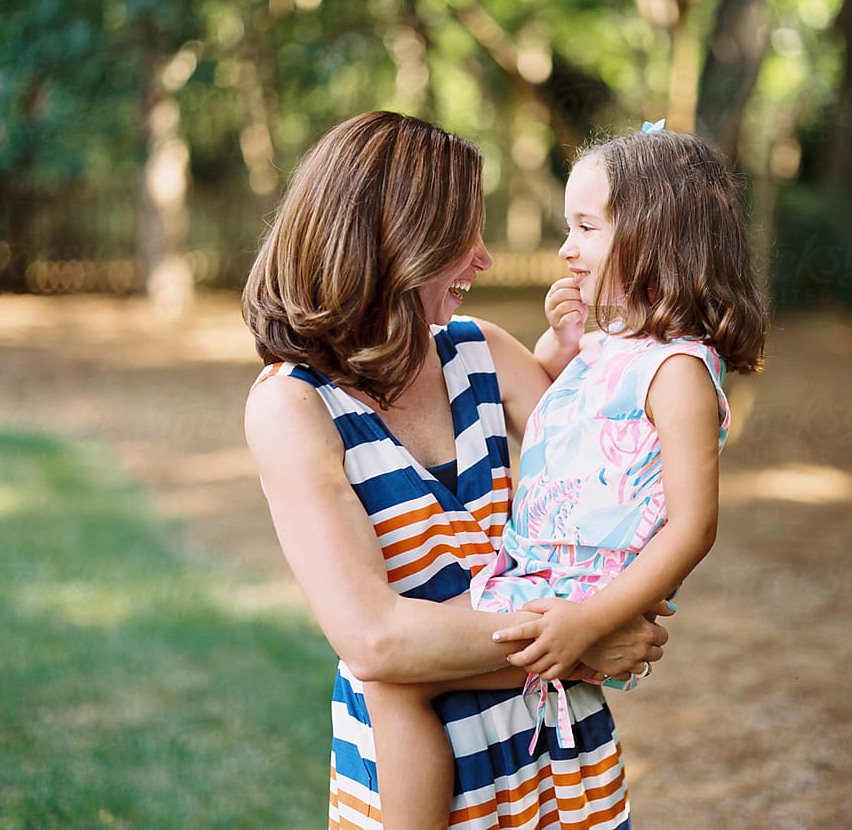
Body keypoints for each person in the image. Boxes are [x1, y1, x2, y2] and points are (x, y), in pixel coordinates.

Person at [241, 110, 671, 830]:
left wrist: (577, 359)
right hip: (430, 790)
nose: (483, 257)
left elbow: (611, 496)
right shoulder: (293, 409)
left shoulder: (487, 353)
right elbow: (376, 641)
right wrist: (583, 643)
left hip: (561, 763)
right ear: (397, 242)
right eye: (461, 234)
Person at [363, 125, 768, 830]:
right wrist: (563, 343)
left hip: (573, 595)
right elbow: (561, 420)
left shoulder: (677, 374)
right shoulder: (613, 350)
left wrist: (592, 622)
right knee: (395, 673)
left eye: (585, 228)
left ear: (654, 240)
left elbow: (693, 525)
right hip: (542, 579)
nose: (565, 249)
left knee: (393, 681)